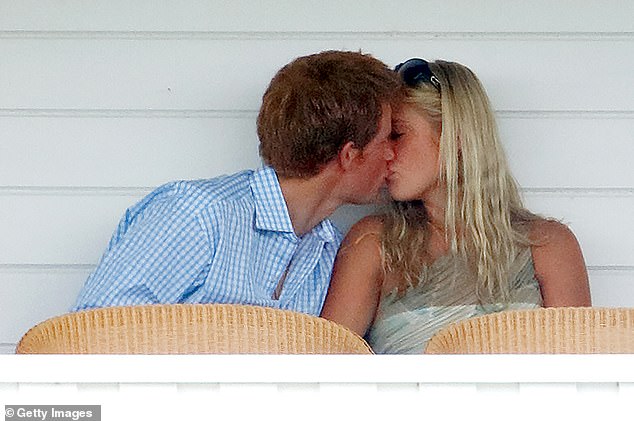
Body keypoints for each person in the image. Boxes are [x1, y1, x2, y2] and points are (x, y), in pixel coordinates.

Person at [71, 50, 402, 316]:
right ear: (349, 155)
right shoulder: (197, 214)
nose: (393, 153)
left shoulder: (327, 249)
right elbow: (91, 334)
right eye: (388, 138)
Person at [320, 58, 591, 353]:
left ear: (455, 136)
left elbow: (580, 376)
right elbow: (327, 368)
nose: (385, 152)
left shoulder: (548, 246)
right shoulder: (373, 243)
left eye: (397, 134)